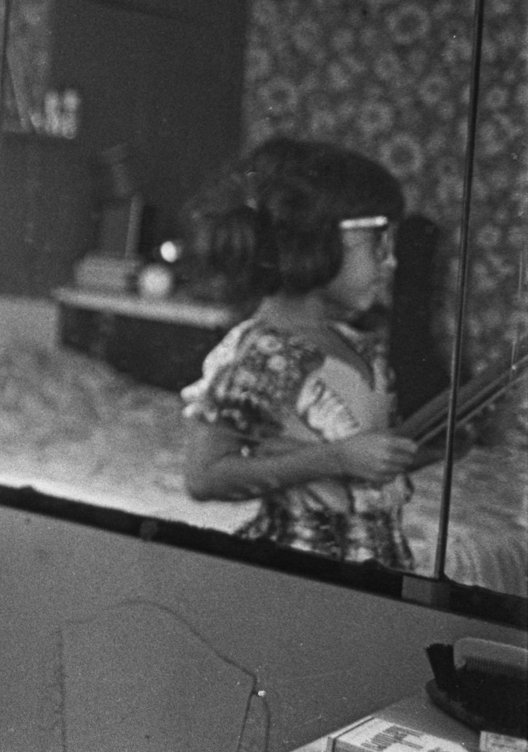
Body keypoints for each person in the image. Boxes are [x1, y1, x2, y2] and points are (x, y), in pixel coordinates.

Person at [180, 136, 434, 570]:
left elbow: (371, 460)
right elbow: (204, 476)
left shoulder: (355, 345)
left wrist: (446, 445)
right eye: (378, 244)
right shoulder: (265, 353)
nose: (391, 262)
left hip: (374, 566)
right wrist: (336, 459)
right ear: (319, 243)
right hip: (302, 574)